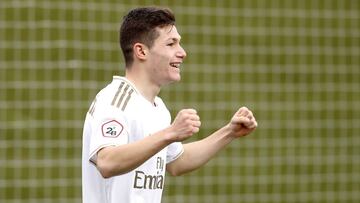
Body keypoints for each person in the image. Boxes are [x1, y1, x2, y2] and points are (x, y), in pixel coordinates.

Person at [82, 6, 258, 203]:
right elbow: (107, 162)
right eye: (171, 44)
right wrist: (170, 133)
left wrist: (229, 132)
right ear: (141, 51)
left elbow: (177, 162)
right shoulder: (115, 99)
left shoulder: (158, 107)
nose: (182, 53)